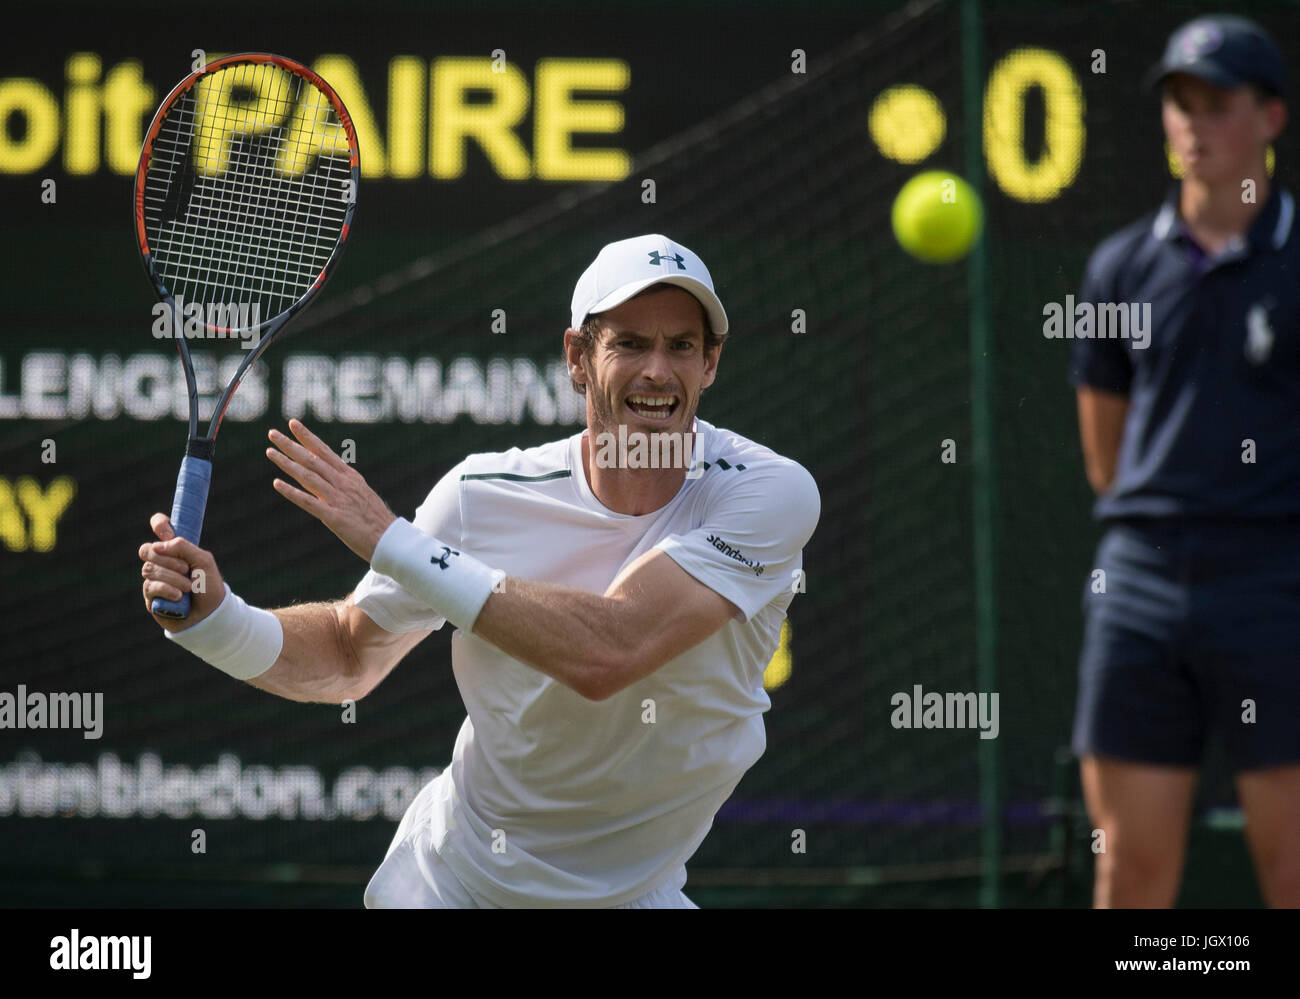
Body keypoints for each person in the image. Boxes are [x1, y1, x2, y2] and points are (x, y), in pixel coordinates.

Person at [138, 233, 821, 908]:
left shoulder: (768, 493)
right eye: (631, 343)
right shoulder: (478, 496)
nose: (657, 371)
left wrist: (393, 541)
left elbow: (613, 649)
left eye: (682, 346)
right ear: (578, 357)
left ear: (711, 364)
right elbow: (350, 652)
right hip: (455, 887)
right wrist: (217, 618)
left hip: (638, 892)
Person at [1069, 15, 1299, 908]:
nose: (1193, 124)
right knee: (1127, 870)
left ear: (1271, 118)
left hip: (1278, 585)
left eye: (1217, 104)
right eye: (1179, 104)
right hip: (1142, 585)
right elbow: (1105, 455)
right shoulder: (1116, 271)